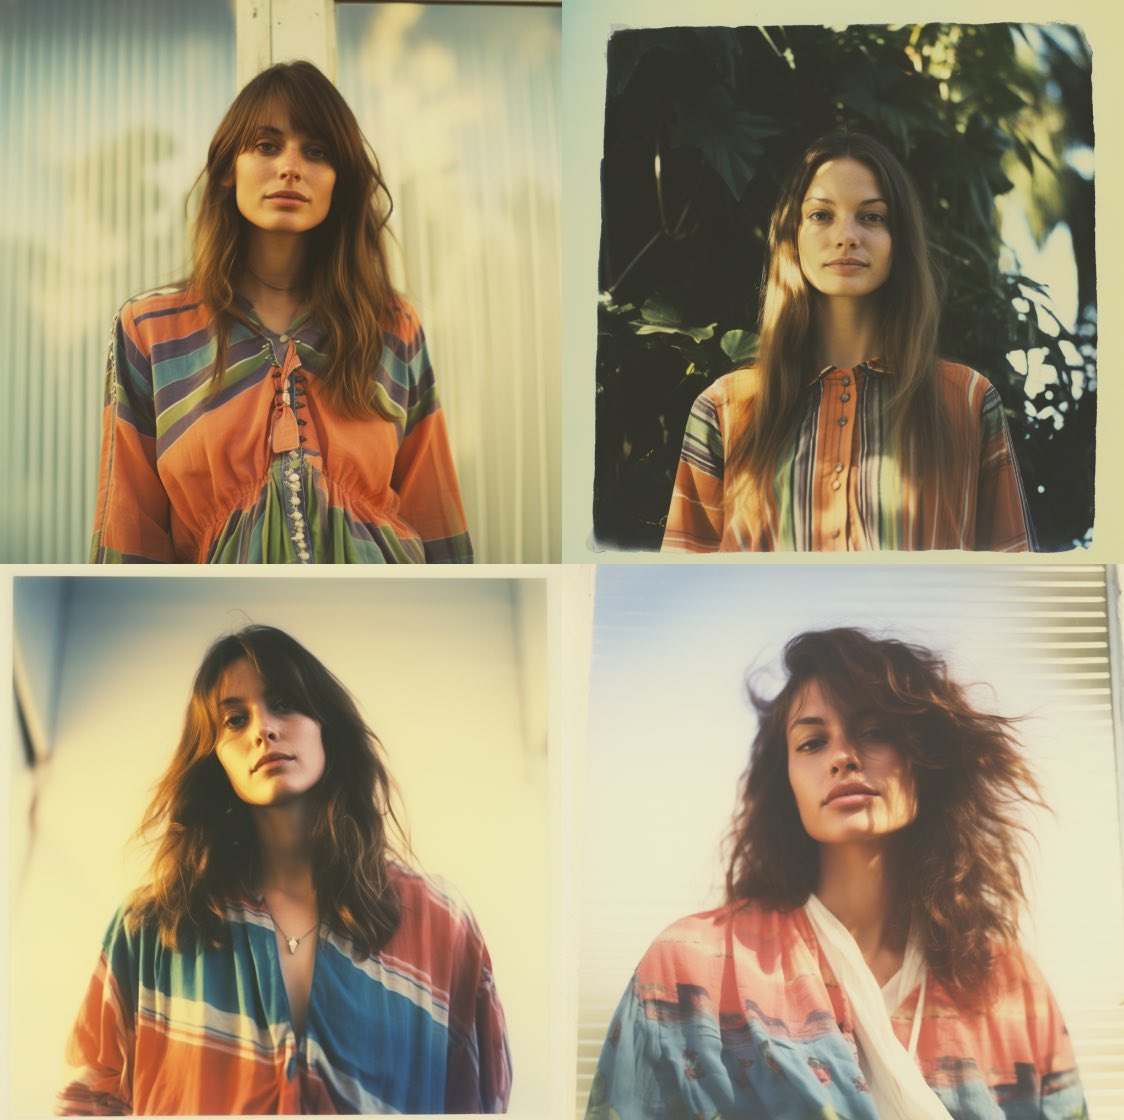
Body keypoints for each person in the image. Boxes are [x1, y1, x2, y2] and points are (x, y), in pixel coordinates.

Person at [586, 628, 1086, 1119]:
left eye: (874, 732)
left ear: (923, 760)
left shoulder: (1012, 990)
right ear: (786, 782)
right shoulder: (694, 970)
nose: (844, 758)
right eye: (812, 742)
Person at [58, 625, 510, 1114]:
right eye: (233, 720)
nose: (263, 730)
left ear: (327, 728)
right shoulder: (150, 927)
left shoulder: (440, 925)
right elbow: (87, 1100)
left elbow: (479, 1101)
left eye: (285, 704)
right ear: (214, 759)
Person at [90, 62, 472, 564]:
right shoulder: (150, 330)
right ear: (229, 168)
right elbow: (128, 528)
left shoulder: (392, 328)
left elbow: (433, 511)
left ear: (340, 180)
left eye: (316, 151)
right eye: (267, 146)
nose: (291, 166)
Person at [662, 132, 1035, 553]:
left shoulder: (967, 401)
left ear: (901, 240)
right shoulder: (723, 410)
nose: (847, 236)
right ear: (792, 235)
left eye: (872, 217)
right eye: (821, 215)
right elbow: (690, 579)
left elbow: (1010, 579)